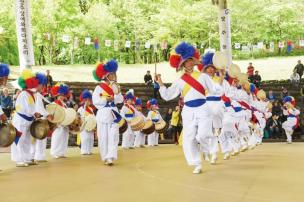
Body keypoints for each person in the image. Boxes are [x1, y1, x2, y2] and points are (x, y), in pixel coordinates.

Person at [155, 42, 223, 174]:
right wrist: (161, 84)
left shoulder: (203, 76)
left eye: (191, 60)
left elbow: (215, 90)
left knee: (203, 135)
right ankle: (197, 163)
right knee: (189, 137)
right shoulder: (180, 80)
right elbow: (168, 95)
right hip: (188, 111)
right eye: (187, 61)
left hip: (203, 108)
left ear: (194, 61)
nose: (190, 63)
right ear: (183, 64)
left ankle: (206, 149)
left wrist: (220, 83)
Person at [92, 59, 124, 166]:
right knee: (103, 136)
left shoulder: (115, 86)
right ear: (106, 75)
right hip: (103, 113)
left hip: (114, 113)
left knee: (114, 135)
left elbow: (120, 100)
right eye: (112, 74)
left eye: (114, 73)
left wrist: (117, 94)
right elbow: (95, 101)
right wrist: (106, 100)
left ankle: (110, 156)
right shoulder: (98, 88)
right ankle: (105, 156)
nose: (114, 75)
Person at [11, 69, 41, 167]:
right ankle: (19, 159)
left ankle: (27, 158)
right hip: (20, 120)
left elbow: (32, 108)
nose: (36, 84)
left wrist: (34, 114)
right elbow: (24, 108)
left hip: (28, 120)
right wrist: (34, 113)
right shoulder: (23, 94)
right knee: (20, 139)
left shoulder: (33, 94)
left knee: (27, 139)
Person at [30, 72, 53, 163]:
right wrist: (47, 114)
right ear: (38, 84)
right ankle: (35, 156)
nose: (43, 87)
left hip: (38, 117)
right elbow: (39, 108)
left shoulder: (36, 94)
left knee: (38, 138)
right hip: (37, 118)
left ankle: (37, 156)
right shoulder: (34, 94)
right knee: (37, 138)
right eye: (42, 85)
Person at [50, 83, 71, 158]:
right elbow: (51, 113)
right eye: (60, 95)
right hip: (57, 123)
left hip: (65, 123)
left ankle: (62, 152)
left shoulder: (65, 104)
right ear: (57, 96)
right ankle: (54, 152)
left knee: (64, 137)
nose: (62, 97)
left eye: (63, 95)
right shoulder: (53, 103)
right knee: (57, 137)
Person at [77, 89, 95, 155]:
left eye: (90, 100)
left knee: (91, 138)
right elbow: (79, 117)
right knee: (85, 138)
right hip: (84, 126)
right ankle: (84, 151)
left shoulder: (90, 109)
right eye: (88, 100)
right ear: (85, 100)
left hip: (91, 126)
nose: (90, 101)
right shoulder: (81, 109)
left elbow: (93, 117)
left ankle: (89, 150)